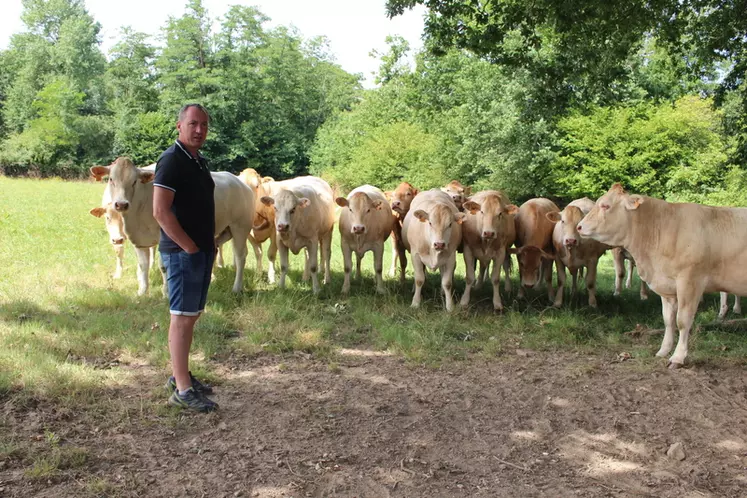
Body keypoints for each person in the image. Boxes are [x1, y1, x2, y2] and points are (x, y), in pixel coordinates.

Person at [153, 103, 218, 413]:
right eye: (193, 123)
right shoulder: (171, 160)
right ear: (179, 126)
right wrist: (189, 247)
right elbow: (160, 211)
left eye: (204, 125)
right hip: (182, 253)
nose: (199, 130)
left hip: (201, 250)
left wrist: (206, 246)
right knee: (181, 318)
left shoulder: (197, 160)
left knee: (190, 316)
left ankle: (180, 376)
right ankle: (182, 390)